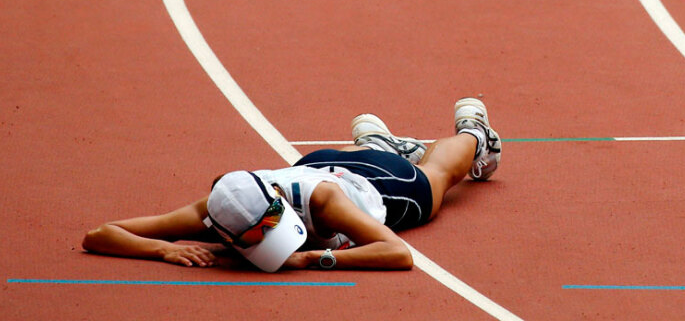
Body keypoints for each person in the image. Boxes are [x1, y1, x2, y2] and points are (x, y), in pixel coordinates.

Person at [82, 98, 501, 272]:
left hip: (373, 183)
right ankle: (377, 143)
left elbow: (397, 253)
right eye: (254, 237)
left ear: (278, 204)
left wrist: (315, 259)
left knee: (435, 181)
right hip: (314, 162)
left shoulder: (325, 203)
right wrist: (162, 248)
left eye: (269, 230)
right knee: (383, 160)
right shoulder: (209, 210)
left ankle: (474, 134)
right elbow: (100, 235)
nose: (267, 240)